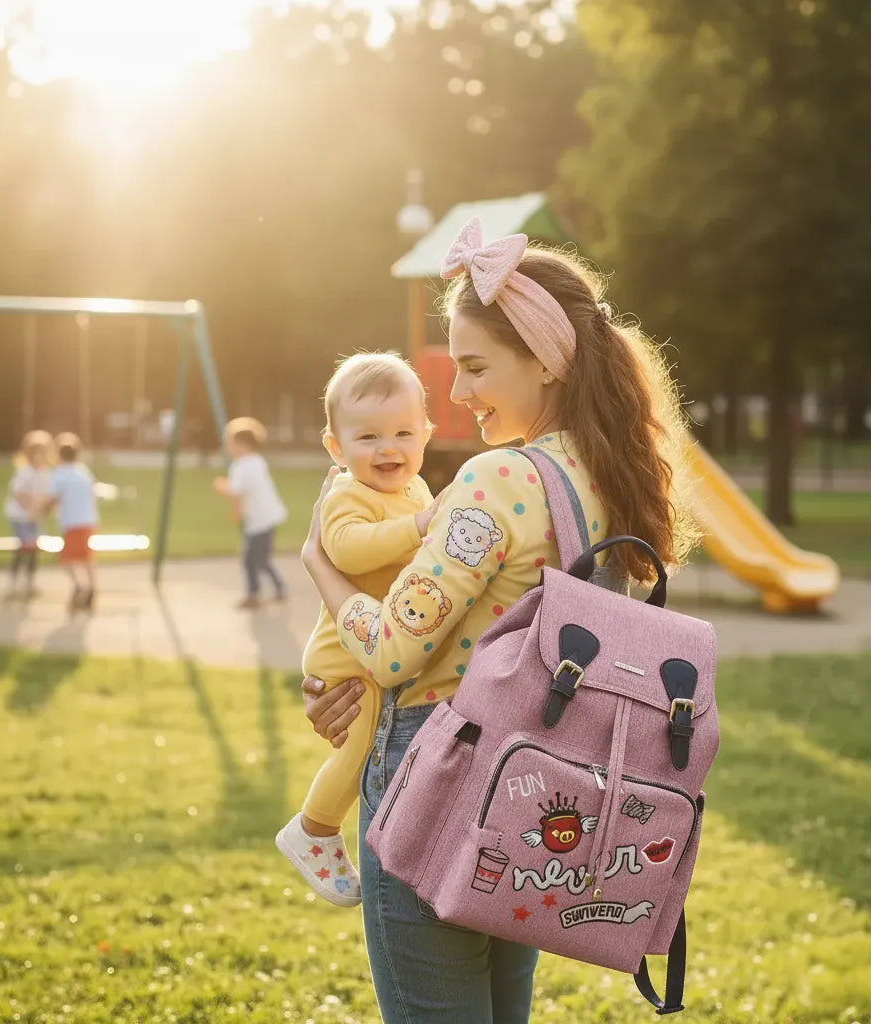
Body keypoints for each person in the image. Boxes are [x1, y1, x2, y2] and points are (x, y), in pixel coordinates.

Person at [298, 218, 700, 1023]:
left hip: (437, 775)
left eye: (475, 367)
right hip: (537, 777)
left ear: (546, 360)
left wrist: (320, 565)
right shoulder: (607, 475)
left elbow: (390, 655)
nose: (456, 393)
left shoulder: (497, 480)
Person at [275, 352, 438, 908]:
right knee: (365, 739)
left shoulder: (418, 492)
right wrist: (417, 528)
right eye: (367, 436)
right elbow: (342, 548)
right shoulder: (349, 493)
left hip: (378, 642)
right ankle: (315, 828)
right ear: (336, 448)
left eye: (402, 433)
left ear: (426, 435)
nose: (388, 448)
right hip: (344, 654)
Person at [213, 416, 288, 610]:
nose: (229, 448)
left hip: (258, 520)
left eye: (230, 444)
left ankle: (254, 594)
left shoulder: (240, 466)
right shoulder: (257, 461)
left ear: (241, 445)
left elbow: (238, 494)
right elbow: (247, 487)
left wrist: (226, 495)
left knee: (251, 559)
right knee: (260, 558)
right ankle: (278, 587)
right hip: (270, 516)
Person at [43, 432, 99, 612]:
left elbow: (52, 498)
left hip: (72, 523)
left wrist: (43, 510)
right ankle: (90, 587)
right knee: (86, 557)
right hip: (89, 520)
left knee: (67, 560)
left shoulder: (59, 474)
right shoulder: (83, 472)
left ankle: (81, 587)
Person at [2, 429, 54, 600]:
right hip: (20, 515)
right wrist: (31, 510)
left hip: (34, 516)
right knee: (24, 547)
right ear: (30, 455)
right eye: (35, 453)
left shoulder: (46, 472)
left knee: (33, 549)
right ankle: (13, 583)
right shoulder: (24, 472)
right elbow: (19, 494)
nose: (39, 457)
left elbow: (47, 497)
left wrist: (41, 511)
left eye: (42, 453)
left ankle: (30, 582)